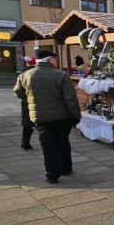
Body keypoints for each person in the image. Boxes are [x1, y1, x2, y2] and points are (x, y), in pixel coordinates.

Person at [14, 49, 81, 184]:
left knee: (48, 146)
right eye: (55, 59)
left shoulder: (25, 75)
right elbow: (70, 98)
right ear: (50, 60)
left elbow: (18, 92)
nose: (56, 62)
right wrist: (75, 116)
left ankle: (52, 175)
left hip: (41, 118)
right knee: (63, 142)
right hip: (61, 117)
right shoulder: (60, 75)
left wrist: (32, 98)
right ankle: (66, 168)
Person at [20, 55, 36, 150]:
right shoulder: (37, 73)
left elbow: (18, 90)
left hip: (26, 101)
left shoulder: (22, 73)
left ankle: (25, 141)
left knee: (27, 122)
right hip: (37, 100)